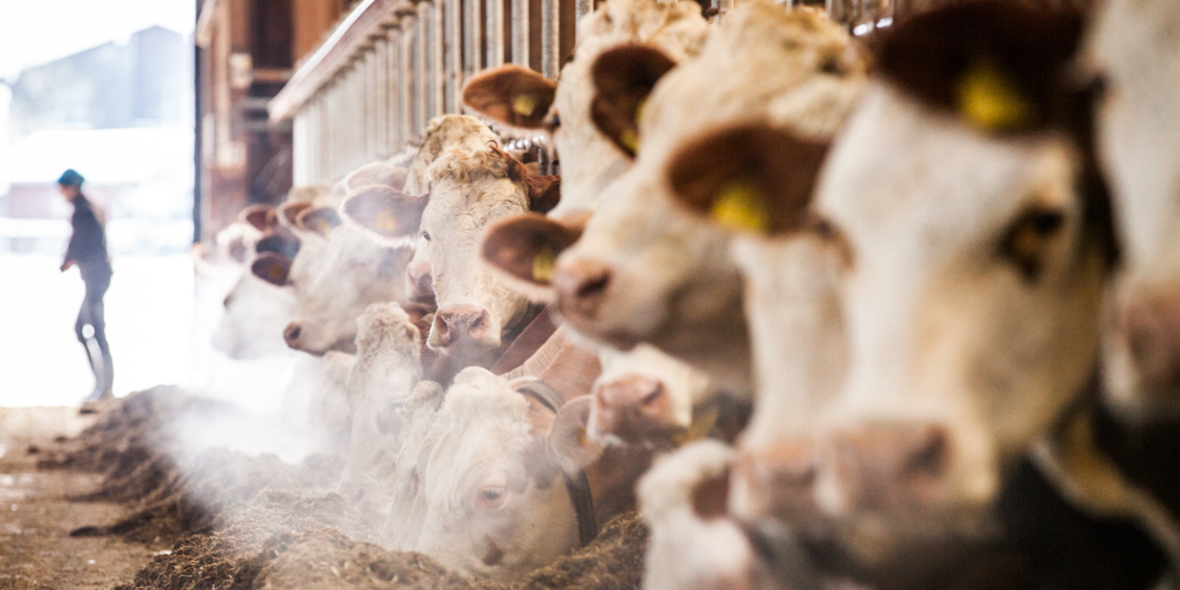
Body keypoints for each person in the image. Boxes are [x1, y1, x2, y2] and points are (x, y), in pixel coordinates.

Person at [58, 169, 114, 401]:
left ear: (71, 187)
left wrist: (67, 260)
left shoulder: (82, 211)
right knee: (85, 328)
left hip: (95, 276)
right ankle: (102, 385)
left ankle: (104, 386)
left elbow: (81, 242)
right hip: (97, 275)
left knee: (94, 328)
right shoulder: (87, 208)